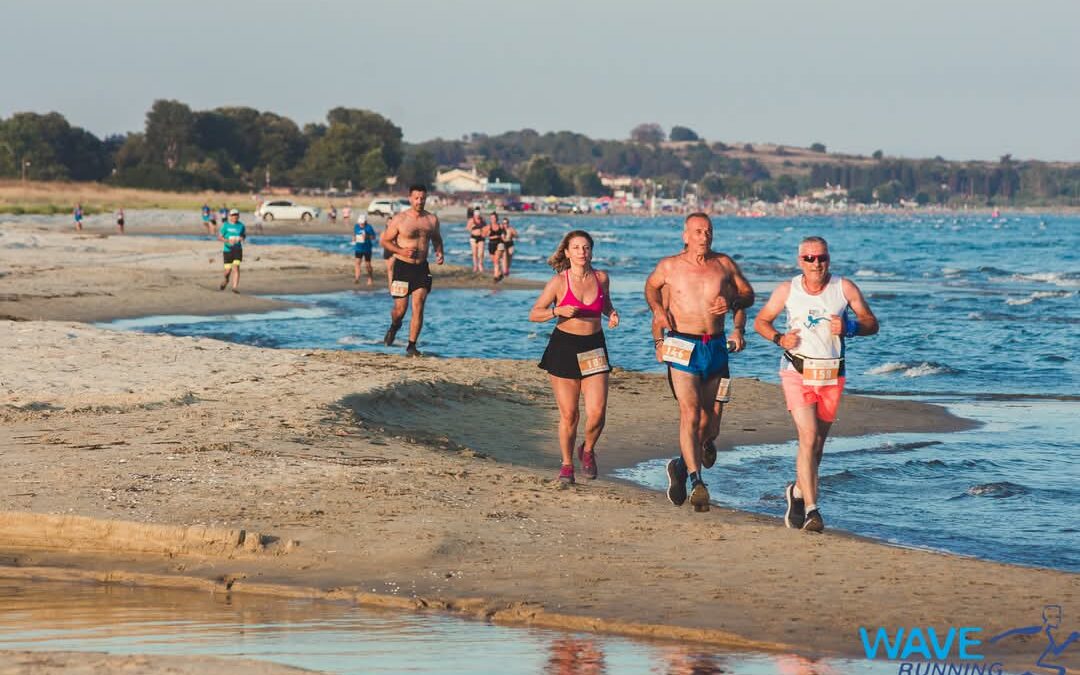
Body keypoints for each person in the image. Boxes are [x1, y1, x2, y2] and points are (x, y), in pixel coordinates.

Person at [753, 236, 878, 532]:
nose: (816, 263)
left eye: (821, 257)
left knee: (817, 446)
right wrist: (779, 339)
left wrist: (850, 327)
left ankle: (797, 492)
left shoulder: (843, 288)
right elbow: (761, 321)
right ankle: (813, 510)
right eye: (809, 258)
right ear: (800, 262)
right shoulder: (788, 290)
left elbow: (872, 323)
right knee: (807, 438)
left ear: (829, 259)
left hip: (831, 375)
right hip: (796, 371)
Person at [644, 213, 754, 512]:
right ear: (685, 235)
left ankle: (679, 466)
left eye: (708, 231)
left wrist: (732, 307)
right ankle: (697, 481)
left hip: (716, 347)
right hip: (682, 345)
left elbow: (748, 295)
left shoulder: (724, 264)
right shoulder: (670, 266)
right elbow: (651, 288)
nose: (704, 236)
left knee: (711, 425)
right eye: (697, 231)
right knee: (690, 414)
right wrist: (657, 317)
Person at [529, 230, 619, 484]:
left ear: (591, 251)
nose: (582, 252)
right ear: (567, 253)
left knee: (597, 413)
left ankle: (587, 449)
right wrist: (558, 310)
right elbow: (534, 313)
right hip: (564, 347)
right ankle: (567, 465)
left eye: (586, 247)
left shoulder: (601, 278)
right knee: (570, 415)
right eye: (576, 248)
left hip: (594, 347)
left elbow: (605, 304)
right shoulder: (559, 282)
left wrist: (611, 314)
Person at [380, 184, 444, 356]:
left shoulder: (431, 220)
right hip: (402, 267)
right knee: (400, 310)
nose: (419, 201)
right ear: (410, 198)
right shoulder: (400, 219)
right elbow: (385, 241)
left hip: (421, 268)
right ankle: (394, 326)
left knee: (419, 305)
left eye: (422, 198)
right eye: (416, 198)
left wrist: (439, 252)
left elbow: (437, 239)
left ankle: (411, 346)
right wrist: (400, 251)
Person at [217, 208, 247, 293]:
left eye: (236, 215)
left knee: (236, 267)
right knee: (227, 271)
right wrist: (227, 241)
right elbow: (219, 237)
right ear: (229, 216)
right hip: (227, 250)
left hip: (237, 249)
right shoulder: (225, 225)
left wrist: (242, 238)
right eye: (233, 215)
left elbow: (243, 235)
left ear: (238, 216)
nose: (234, 217)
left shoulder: (241, 226)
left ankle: (235, 288)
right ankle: (226, 280)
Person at [352, 215, 376, 285]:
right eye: (360, 223)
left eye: (362, 223)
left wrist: (367, 236)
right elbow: (354, 234)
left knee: (367, 265)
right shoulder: (356, 226)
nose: (361, 224)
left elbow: (374, 237)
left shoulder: (369, 227)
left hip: (367, 248)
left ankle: (370, 278)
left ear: (365, 222)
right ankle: (357, 278)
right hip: (358, 248)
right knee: (357, 263)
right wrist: (353, 238)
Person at [485, 212, 505, 281]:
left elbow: (505, 233)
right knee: (495, 261)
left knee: (496, 260)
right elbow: (483, 235)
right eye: (492, 218)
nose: (493, 219)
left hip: (500, 244)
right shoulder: (488, 227)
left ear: (497, 218)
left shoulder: (501, 226)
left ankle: (495, 277)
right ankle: (500, 273)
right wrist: (488, 234)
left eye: (494, 218)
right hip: (491, 244)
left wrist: (503, 236)